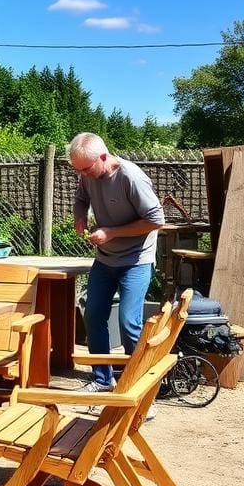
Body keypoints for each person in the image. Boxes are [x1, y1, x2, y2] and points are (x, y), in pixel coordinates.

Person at [70, 132, 165, 398]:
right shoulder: (87, 173)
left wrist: (111, 232)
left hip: (136, 260)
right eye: (77, 170)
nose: (83, 175)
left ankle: (139, 388)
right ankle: (103, 380)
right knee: (94, 315)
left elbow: (156, 220)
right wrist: (80, 216)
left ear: (103, 157)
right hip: (105, 259)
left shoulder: (131, 178)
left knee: (128, 322)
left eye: (86, 169)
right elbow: (81, 198)